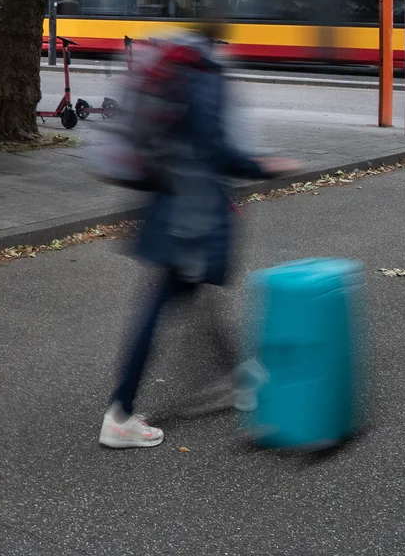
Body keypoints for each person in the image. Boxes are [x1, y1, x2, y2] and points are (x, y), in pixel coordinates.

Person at [99, 25, 299, 450]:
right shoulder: (205, 76)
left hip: (169, 205)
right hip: (194, 214)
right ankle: (120, 412)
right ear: (218, 41)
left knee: (187, 295)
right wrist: (267, 165)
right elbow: (217, 150)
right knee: (164, 303)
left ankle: (238, 377)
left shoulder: (172, 67)